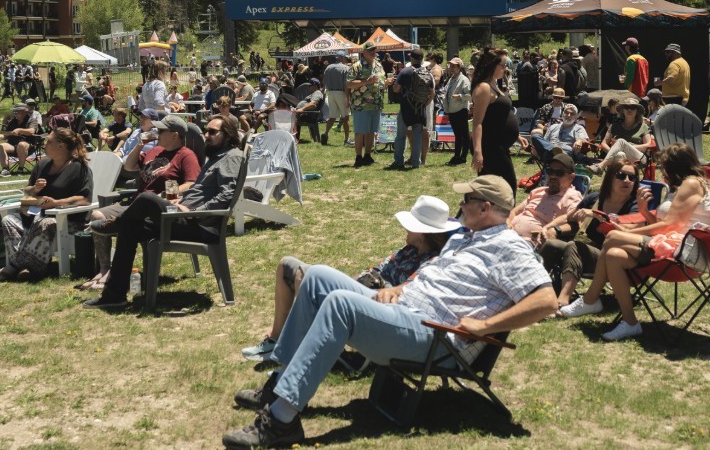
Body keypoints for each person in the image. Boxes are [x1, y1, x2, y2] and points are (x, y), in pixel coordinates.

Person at [222, 175, 557, 448]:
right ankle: (280, 384)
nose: (461, 206)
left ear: (485, 207)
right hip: (405, 311)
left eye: (466, 201)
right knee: (317, 277)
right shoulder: (463, 237)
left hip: (436, 338)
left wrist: (487, 325)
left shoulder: (510, 247)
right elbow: (433, 276)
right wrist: (399, 288)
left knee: (341, 305)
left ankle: (281, 422)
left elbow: (546, 301)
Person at [241, 195, 459, 362]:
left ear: (421, 231)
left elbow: (407, 293)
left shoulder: (433, 262)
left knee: (303, 278)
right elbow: (376, 269)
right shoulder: (407, 250)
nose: (404, 228)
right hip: (363, 292)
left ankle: (297, 349)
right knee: (286, 266)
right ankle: (277, 338)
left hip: (379, 308)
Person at [83, 115, 246, 308]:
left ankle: (116, 223)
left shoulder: (231, 157)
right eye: (206, 131)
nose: (206, 136)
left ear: (227, 135)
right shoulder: (215, 157)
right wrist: (182, 200)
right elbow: (200, 190)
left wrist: (195, 211)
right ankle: (114, 295)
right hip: (182, 214)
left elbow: (226, 196)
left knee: (146, 198)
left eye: (213, 132)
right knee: (130, 228)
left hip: (197, 224)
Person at [559, 143, 710, 341]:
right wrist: (643, 211)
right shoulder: (682, 187)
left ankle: (590, 299)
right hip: (667, 243)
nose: (661, 171)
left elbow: (669, 224)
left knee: (613, 236)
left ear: (675, 165)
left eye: (663, 166)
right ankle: (630, 322)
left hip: (684, 249)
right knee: (614, 255)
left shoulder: (692, 183)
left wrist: (625, 230)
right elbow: (663, 225)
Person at [80, 115, 201, 291]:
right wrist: (139, 145)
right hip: (134, 202)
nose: (156, 133)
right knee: (97, 214)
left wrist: (166, 194)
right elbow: (129, 167)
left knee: (115, 221)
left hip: (153, 208)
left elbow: (192, 183)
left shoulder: (186, 155)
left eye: (161, 130)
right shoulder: (153, 151)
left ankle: (114, 265)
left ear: (175, 135)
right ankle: (105, 269)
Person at [0, 128, 94, 282]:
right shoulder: (43, 164)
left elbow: (85, 199)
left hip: (68, 221)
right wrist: (35, 189)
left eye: (49, 141)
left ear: (61, 146)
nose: (45, 143)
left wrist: (56, 203)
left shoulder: (79, 168)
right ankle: (26, 265)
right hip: (37, 214)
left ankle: (18, 266)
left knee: (46, 223)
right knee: (9, 220)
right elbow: (27, 191)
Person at [539, 158, 641, 308]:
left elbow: (629, 232)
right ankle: (532, 292)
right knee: (551, 245)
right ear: (611, 177)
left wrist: (596, 215)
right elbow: (569, 216)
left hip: (611, 258)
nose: (626, 180)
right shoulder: (596, 198)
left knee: (575, 246)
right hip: (585, 251)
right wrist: (550, 227)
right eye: (621, 175)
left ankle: (562, 302)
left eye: (632, 177)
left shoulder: (635, 206)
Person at [507, 152, 583, 247]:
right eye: (550, 171)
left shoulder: (572, 196)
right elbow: (514, 211)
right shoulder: (538, 191)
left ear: (571, 177)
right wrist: (508, 222)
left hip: (528, 244)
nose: (553, 176)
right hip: (507, 235)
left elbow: (576, 223)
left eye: (559, 173)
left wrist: (556, 230)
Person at [470, 47, 519, 194]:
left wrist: (517, 135)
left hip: (499, 146)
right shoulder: (484, 88)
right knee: (505, 189)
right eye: (503, 65)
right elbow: (477, 122)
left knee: (496, 190)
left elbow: (498, 116)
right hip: (490, 146)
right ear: (492, 65)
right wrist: (478, 151)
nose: (505, 69)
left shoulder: (494, 85)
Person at [389, 49, 432, 170]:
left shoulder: (405, 71)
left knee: (401, 136)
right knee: (417, 136)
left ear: (412, 58)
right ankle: (416, 162)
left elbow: (396, 89)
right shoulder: (427, 73)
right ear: (422, 59)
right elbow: (431, 92)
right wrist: (424, 104)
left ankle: (398, 161)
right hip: (420, 109)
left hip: (406, 109)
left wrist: (393, 84)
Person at [587, 97, 654, 175]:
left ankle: (601, 166)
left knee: (621, 141)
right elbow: (604, 143)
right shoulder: (615, 126)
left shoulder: (643, 126)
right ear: (623, 110)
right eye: (626, 107)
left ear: (637, 111)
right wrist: (612, 153)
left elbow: (648, 145)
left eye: (633, 107)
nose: (629, 110)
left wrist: (625, 146)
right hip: (618, 155)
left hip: (639, 157)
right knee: (620, 154)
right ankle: (619, 179)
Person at [346, 41, 385, 168]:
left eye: (375, 50)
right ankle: (358, 157)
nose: (374, 53)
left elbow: (381, 82)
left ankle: (367, 155)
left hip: (376, 103)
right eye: (371, 51)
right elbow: (349, 84)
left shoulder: (378, 65)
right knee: (360, 132)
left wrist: (387, 83)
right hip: (361, 104)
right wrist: (366, 81)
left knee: (371, 132)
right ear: (364, 52)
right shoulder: (356, 66)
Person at [0, 103, 40, 177]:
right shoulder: (12, 121)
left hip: (28, 146)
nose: (14, 114)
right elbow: (6, 135)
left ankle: (20, 168)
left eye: (16, 112)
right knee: (1, 146)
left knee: (21, 144)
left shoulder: (32, 120)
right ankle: (5, 169)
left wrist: (19, 130)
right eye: (14, 112)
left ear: (24, 112)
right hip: (13, 145)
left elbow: (31, 131)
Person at [443, 57, 471, 166]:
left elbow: (470, 95)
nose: (451, 68)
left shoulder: (464, 79)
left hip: (461, 110)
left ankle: (462, 157)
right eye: (450, 66)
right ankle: (457, 156)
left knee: (463, 135)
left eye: (454, 66)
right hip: (452, 110)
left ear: (459, 67)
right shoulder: (451, 79)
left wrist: (459, 96)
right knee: (457, 135)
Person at [321, 55, 351, 146]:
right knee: (346, 117)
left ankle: (325, 134)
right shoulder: (346, 68)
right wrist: (347, 98)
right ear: (343, 58)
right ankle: (346, 139)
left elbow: (323, 82)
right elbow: (346, 84)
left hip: (330, 93)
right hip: (341, 93)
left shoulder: (328, 68)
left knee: (332, 117)